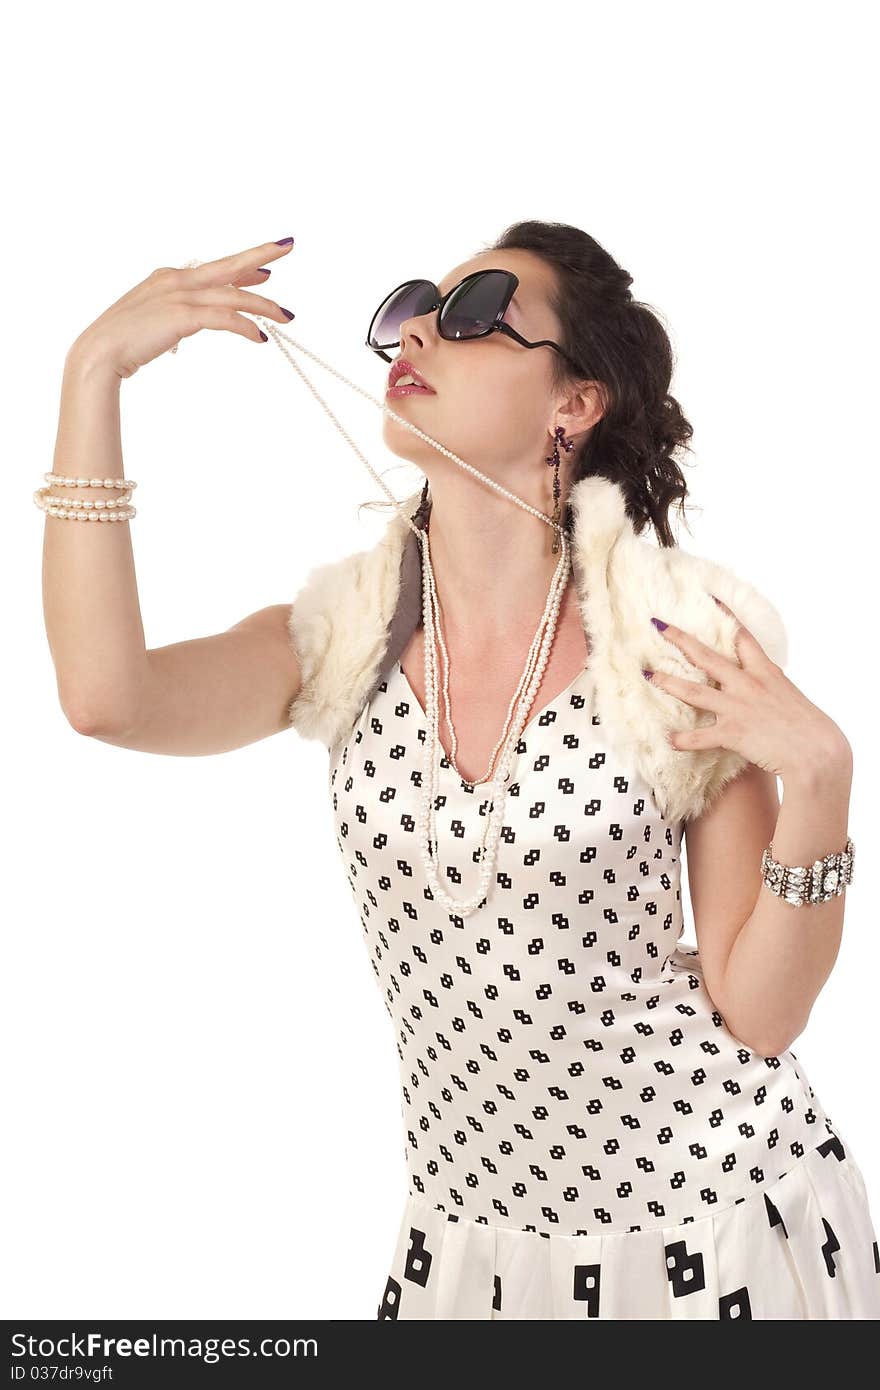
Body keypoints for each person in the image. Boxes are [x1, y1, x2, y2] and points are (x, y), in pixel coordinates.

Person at [42, 224, 878, 1320]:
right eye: (412, 308)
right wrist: (90, 372)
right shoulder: (342, 636)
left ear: (570, 406)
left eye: (480, 307)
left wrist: (819, 781)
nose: (425, 327)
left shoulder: (670, 643)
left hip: (704, 1223)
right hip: (471, 1247)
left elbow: (759, 1015)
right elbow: (109, 699)